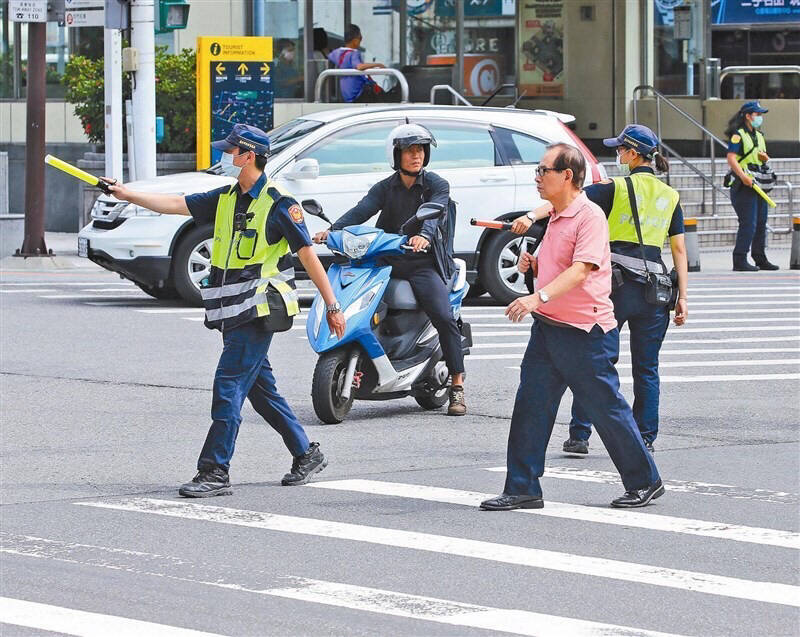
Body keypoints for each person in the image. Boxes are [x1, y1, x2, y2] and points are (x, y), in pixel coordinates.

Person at [107, 123, 346, 497]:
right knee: (259, 389)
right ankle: (306, 453)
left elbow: (307, 255)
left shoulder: (280, 204)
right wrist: (127, 194)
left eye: (231, 151)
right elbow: (175, 204)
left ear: (249, 156)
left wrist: (332, 305)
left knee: (228, 385)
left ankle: (215, 470)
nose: (226, 157)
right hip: (233, 308)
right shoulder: (225, 198)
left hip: (261, 307)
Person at [480, 143, 663, 511]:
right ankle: (523, 487)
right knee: (531, 404)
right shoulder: (558, 215)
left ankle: (645, 481)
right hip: (549, 327)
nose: (537, 177)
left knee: (606, 409)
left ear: (567, 175)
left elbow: (582, 270)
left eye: (543, 171)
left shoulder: (589, 216)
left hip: (586, 332)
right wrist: (533, 265)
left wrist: (537, 297)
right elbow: (560, 261)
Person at [512, 125, 688, 455]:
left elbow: (563, 202)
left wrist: (528, 215)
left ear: (634, 154)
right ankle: (645, 438)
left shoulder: (613, 188)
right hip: (656, 291)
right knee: (647, 368)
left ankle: (579, 435)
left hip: (617, 285)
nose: (618, 155)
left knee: (595, 364)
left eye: (621, 150)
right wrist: (683, 298)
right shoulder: (670, 195)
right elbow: (679, 250)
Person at [312, 123, 467, 416]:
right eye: (409, 151)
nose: (416, 156)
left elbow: (434, 214)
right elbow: (362, 210)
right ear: (395, 156)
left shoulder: (437, 185)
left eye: (420, 150)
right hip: (386, 260)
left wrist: (424, 236)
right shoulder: (385, 187)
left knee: (444, 316)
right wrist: (331, 231)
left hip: (422, 263)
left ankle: (457, 386)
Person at [725, 100, 779, 271]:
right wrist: (742, 176)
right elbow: (731, 158)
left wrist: (764, 158)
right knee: (749, 223)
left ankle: (760, 258)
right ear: (748, 116)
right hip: (743, 184)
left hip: (758, 184)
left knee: (761, 222)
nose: (760, 117)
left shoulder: (759, 135)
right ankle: (739, 260)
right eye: (757, 114)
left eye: (761, 115)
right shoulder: (738, 135)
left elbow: (759, 157)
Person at [327, 24, 394, 103]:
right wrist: (378, 64)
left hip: (347, 95)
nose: (361, 40)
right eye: (360, 38)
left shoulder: (336, 52)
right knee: (388, 98)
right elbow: (359, 67)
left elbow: (329, 57)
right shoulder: (354, 53)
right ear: (355, 40)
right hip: (358, 94)